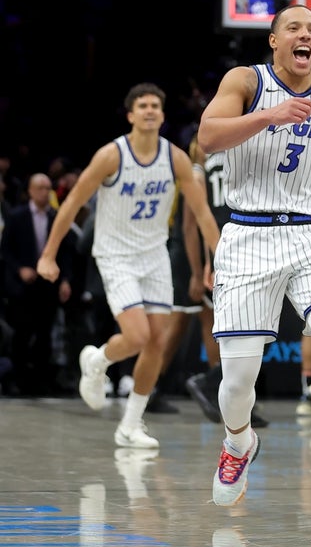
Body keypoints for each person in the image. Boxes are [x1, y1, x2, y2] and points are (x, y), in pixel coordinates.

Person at [196, 4, 311, 525]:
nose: (307, 34)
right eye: (295, 28)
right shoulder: (246, 81)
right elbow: (207, 138)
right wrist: (268, 116)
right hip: (249, 232)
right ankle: (238, 442)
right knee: (238, 381)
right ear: (274, 40)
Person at [36, 83, 222, 450]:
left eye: (155, 105)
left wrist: (219, 261)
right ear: (131, 115)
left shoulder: (175, 158)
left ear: (163, 115)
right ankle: (97, 361)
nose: (150, 110)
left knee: (156, 342)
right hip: (116, 255)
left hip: (154, 256)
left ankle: (131, 425)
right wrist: (48, 254)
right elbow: (72, 203)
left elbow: (202, 213)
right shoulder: (112, 156)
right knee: (137, 336)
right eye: (143, 105)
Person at [182, 144, 268, 428]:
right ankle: (215, 386)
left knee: (247, 327)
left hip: (237, 243)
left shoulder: (222, 159)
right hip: (230, 246)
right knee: (239, 329)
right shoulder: (204, 170)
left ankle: (225, 392)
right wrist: (203, 266)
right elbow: (198, 221)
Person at [1, 173, 74, 395]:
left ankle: (41, 381)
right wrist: (20, 269)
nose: (45, 192)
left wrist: (65, 280)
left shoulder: (55, 217)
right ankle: (17, 380)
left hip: (47, 284)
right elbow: (5, 250)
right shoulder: (17, 216)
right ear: (30, 191)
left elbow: (65, 253)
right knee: (22, 334)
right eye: (40, 188)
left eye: (48, 188)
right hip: (22, 285)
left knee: (45, 334)